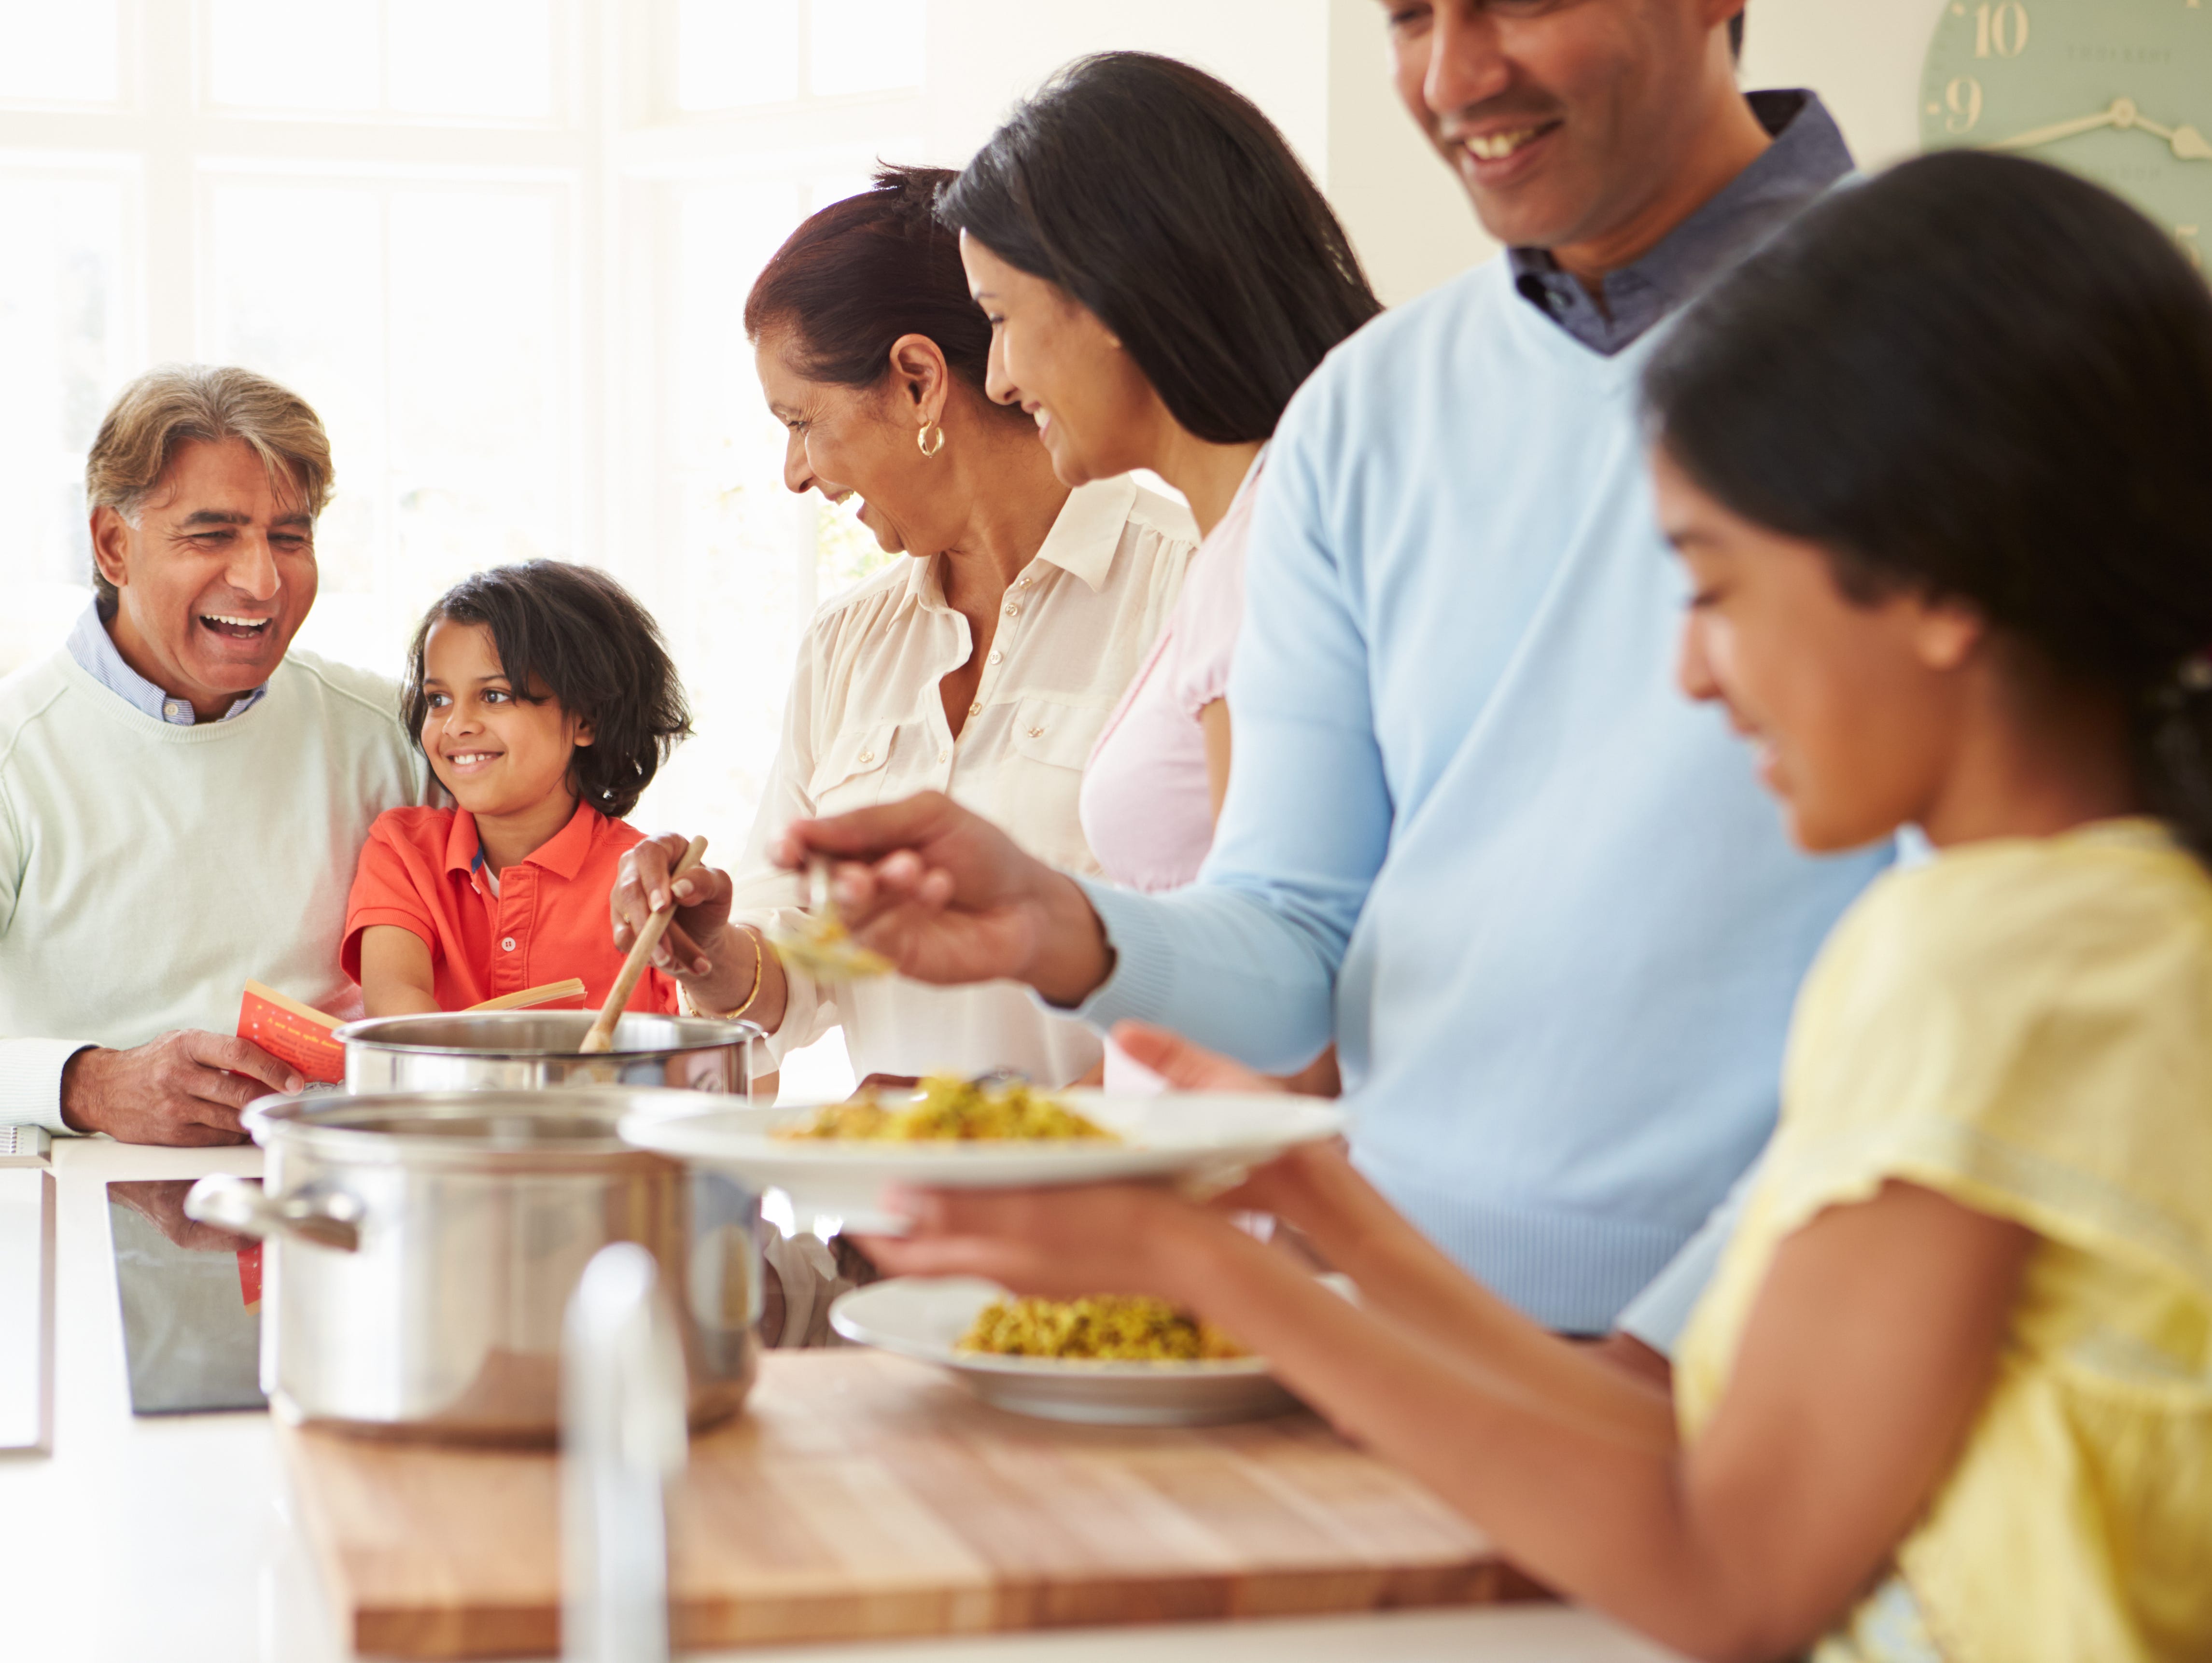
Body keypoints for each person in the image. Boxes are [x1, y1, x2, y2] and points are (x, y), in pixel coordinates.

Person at [869, 153, 2212, 1662]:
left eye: (1711, 585)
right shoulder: (2103, 925)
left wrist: (1207, 1263)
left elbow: (1726, 1569)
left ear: (1939, 583)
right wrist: (1321, 1208)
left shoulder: (1993, 961)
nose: (1693, 673)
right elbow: (1694, 1448)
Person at [738, 1, 1891, 1344]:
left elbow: (2003, 934)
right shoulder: (1368, 407)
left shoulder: (1956, 338)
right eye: (1408, 17)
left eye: (1516, 4)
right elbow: (1293, 939)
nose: (1454, 76)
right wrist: (1065, 924)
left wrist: (1668, 1338)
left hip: (1783, 1342)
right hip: (1406, 1333)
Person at [611, 166, 1199, 1093]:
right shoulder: (850, 643)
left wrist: (989, 1139)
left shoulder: (1187, 587)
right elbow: (802, 964)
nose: (793, 473)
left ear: (919, 380)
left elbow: (1242, 974)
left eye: (802, 420)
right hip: (896, 1225)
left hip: (1124, 1215)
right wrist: (712, 950)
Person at [941, 51, 1380, 1090]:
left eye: (999, 319)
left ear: (1104, 293)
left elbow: (1292, 1031)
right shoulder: (1236, 543)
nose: (998, 379)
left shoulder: (1277, 544)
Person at [0, 365, 429, 1145]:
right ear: (111, 544)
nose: (262, 580)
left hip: (340, 1197)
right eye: (213, 535)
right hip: (86, 1209)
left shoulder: (393, 735)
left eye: (289, 537)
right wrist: (88, 1085)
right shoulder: (15, 752)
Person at [345, 561, 691, 1016]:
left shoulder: (647, 883)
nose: (457, 725)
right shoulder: (402, 851)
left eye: (494, 695)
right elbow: (399, 1016)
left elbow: (735, 1059)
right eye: (438, 699)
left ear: (586, 718)